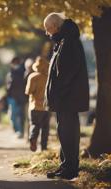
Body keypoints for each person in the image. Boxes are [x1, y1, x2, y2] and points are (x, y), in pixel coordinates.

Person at [44, 13, 89, 180]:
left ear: (56, 26)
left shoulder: (68, 41)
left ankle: (70, 168)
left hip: (67, 98)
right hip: (65, 98)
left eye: (48, 29)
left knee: (68, 132)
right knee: (63, 132)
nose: (47, 33)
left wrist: (60, 92)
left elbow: (67, 72)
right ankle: (66, 165)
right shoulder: (64, 40)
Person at [25, 56, 50, 152]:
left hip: (34, 106)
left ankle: (32, 138)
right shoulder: (48, 78)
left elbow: (28, 91)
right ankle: (44, 147)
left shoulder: (33, 77)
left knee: (35, 124)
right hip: (46, 107)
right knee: (45, 128)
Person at [6, 57, 27, 138]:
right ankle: (17, 131)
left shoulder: (20, 72)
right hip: (14, 97)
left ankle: (19, 131)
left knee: (18, 115)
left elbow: (14, 84)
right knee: (14, 116)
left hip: (18, 97)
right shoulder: (12, 72)